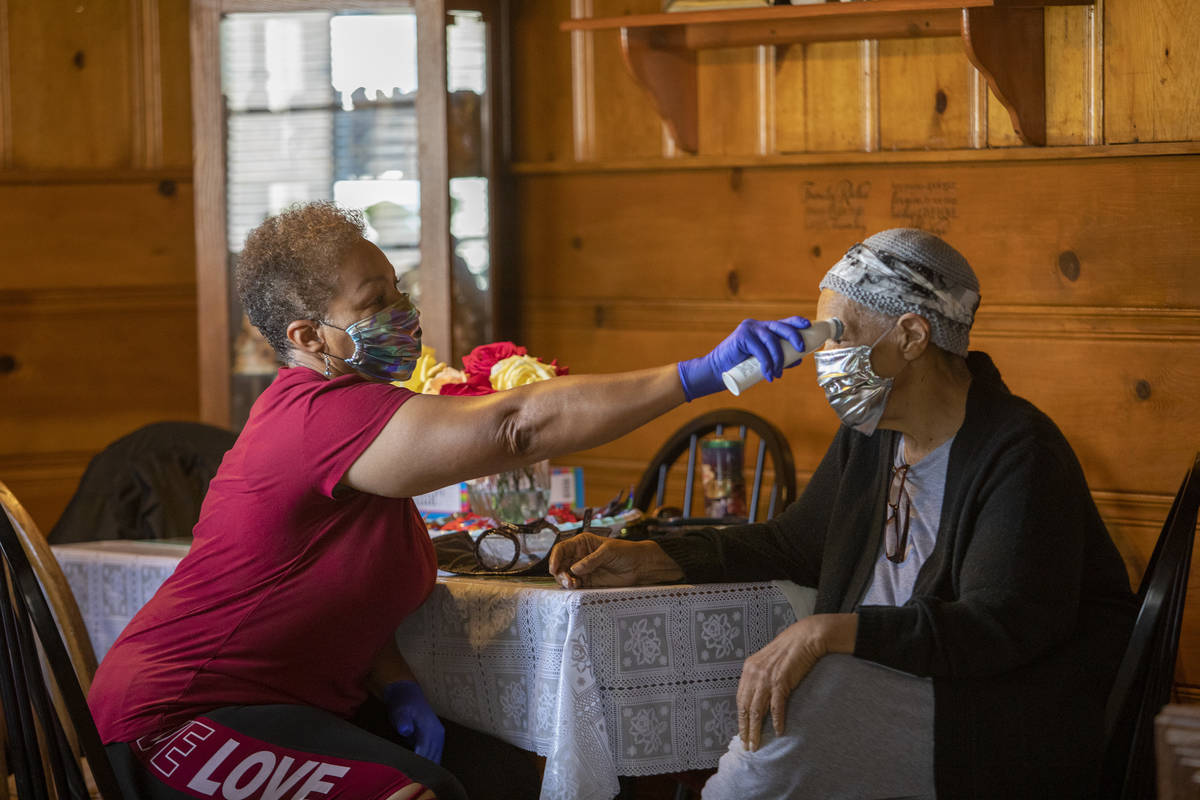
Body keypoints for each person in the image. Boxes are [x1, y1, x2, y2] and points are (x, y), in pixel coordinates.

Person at [86, 201, 813, 800]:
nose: (406, 312)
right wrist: (699, 374)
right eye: (376, 302)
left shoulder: (364, 425)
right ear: (308, 336)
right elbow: (516, 424)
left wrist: (396, 683)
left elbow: (338, 595)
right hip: (174, 721)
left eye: (399, 290)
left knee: (497, 773)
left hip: (283, 707)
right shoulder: (320, 415)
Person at [550, 228, 1138, 799]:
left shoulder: (1019, 451)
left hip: (988, 719)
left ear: (912, 336)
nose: (823, 357)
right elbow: (792, 545)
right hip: (895, 683)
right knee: (784, 687)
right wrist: (656, 558)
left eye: (837, 334)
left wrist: (830, 632)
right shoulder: (873, 433)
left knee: (804, 695)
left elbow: (997, 627)